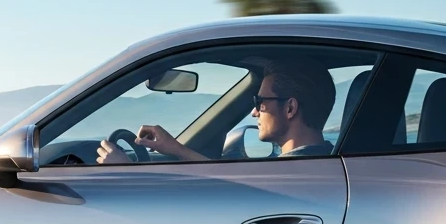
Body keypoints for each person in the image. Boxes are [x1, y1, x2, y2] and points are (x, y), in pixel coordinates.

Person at [96, 57, 337, 163]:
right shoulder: (318, 161)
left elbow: (233, 193)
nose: (254, 113)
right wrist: (177, 149)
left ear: (290, 108)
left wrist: (124, 171)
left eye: (259, 102)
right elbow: (234, 185)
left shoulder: (291, 173)